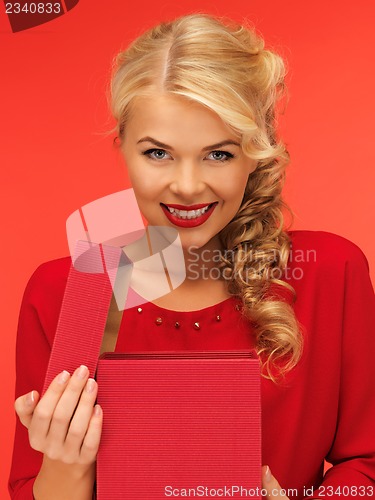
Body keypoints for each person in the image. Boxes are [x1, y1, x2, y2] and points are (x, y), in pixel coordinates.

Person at [9, 13, 375, 500]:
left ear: (256, 152)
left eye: (218, 154)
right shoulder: (72, 291)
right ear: (122, 147)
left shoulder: (330, 272)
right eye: (157, 153)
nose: (185, 186)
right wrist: (65, 464)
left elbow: (367, 466)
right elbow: (33, 489)